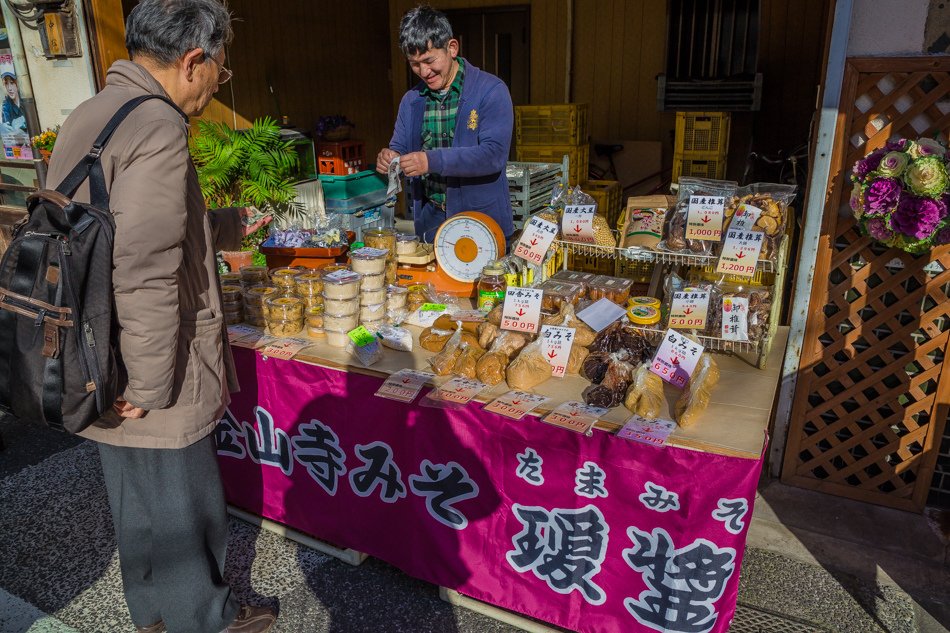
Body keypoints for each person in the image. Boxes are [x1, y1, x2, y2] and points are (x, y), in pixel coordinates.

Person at [45, 1, 276, 632]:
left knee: (137, 496)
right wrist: (148, 382)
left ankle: (156, 615)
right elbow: (144, 263)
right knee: (180, 499)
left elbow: (109, 229)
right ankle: (203, 619)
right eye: (219, 72)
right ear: (192, 61)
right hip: (148, 352)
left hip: (93, 341)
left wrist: (226, 226)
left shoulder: (92, 113)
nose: (214, 86)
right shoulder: (159, 126)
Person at [376, 4, 514, 243]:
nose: (424, 71)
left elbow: (493, 156)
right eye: (414, 64)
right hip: (431, 223)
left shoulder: (490, 90)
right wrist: (390, 158)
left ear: (451, 48)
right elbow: (398, 146)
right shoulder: (411, 101)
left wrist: (431, 161)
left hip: (482, 222)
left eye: (429, 60)